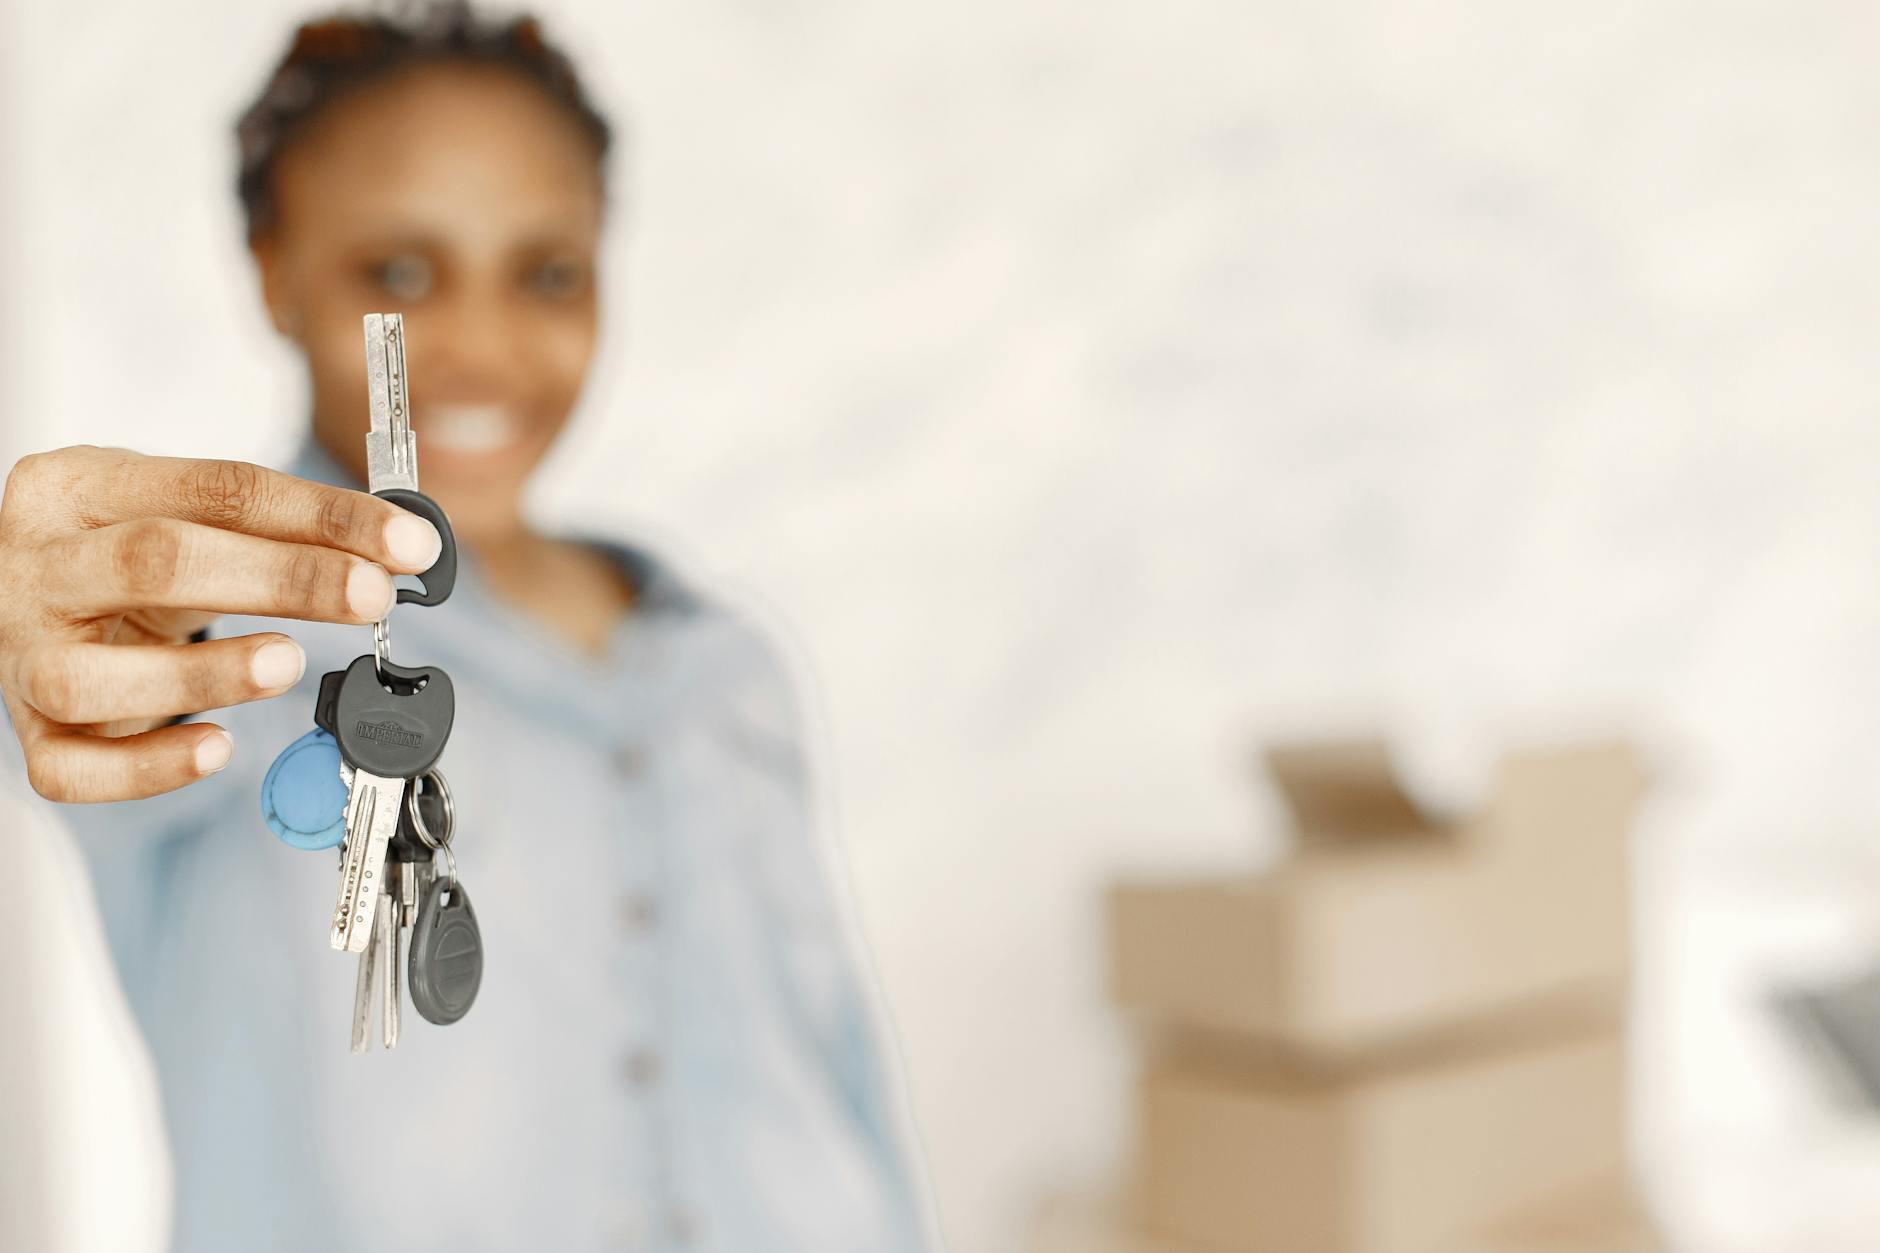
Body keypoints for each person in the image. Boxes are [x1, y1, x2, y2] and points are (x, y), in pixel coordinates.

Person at [0, 7, 940, 1251]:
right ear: (275, 271)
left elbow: (836, 1067)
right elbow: (63, 689)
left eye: (547, 272)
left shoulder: (724, 662)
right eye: (398, 273)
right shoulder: (201, 634)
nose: (482, 346)